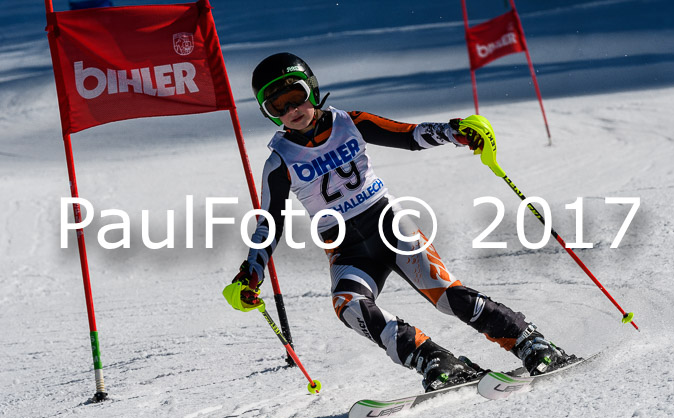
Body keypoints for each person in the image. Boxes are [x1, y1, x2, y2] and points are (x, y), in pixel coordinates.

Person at [230, 52, 573, 392]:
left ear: (313, 90)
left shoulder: (350, 123)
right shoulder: (279, 161)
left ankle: (530, 342)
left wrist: (455, 132)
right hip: (347, 249)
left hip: (389, 225)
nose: (291, 110)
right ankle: (435, 360)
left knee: (445, 295)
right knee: (349, 306)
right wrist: (251, 273)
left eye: (296, 96)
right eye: (277, 107)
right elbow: (270, 224)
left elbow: (409, 135)